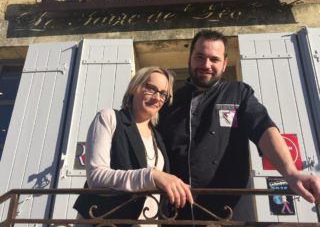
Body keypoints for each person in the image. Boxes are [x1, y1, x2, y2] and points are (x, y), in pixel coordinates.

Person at [158, 29, 320, 220]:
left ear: (225, 64)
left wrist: (291, 173)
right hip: (177, 213)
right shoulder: (170, 101)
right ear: (190, 58)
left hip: (229, 212)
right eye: (199, 57)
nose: (206, 64)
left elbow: (263, 128)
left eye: (214, 59)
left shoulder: (238, 93)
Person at [74, 67, 193, 224]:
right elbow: (96, 177)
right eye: (151, 88)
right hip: (104, 220)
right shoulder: (109, 118)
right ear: (134, 87)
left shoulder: (158, 137)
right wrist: (152, 175)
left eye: (163, 93)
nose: (158, 97)